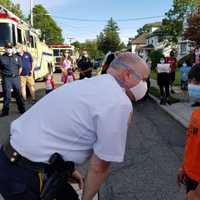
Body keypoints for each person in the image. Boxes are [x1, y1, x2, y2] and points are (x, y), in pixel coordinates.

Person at [0, 52, 149, 200]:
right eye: (143, 79)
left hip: (16, 163)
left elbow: (61, 127)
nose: (145, 85)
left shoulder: (88, 84)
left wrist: (67, 170)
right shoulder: (118, 101)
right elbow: (100, 167)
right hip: (28, 174)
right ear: (128, 74)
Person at [177, 64, 200, 199]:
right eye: (190, 82)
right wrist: (184, 167)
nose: (191, 86)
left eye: (196, 82)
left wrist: (197, 193)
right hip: (190, 175)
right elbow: (191, 143)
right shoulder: (196, 113)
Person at [0, 42, 25, 117]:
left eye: (10, 48)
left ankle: (22, 110)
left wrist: (17, 75)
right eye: (7, 48)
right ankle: (5, 111)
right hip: (6, 78)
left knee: (18, 94)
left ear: (12, 48)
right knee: (7, 95)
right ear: (5, 49)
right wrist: (3, 77)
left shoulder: (17, 57)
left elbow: (20, 67)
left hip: (15, 78)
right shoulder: (1, 58)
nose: (9, 49)